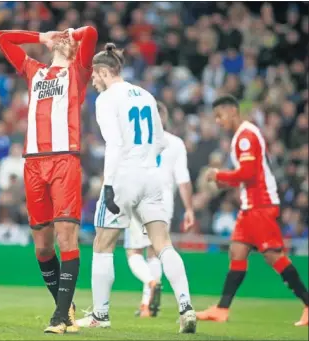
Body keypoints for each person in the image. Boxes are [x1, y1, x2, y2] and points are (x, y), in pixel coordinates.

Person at [76, 43, 197, 334]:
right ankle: (186, 307)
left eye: (94, 75)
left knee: (102, 245)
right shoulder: (145, 95)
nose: (93, 80)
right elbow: (160, 142)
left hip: (124, 178)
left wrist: (107, 185)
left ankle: (100, 315)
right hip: (152, 177)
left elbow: (114, 144)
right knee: (163, 244)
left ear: (105, 72)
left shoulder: (106, 99)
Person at [0, 26, 98, 334]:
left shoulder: (78, 72)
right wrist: (42, 37)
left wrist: (72, 33)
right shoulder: (34, 71)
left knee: (66, 238)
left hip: (65, 159)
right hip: (33, 163)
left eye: (69, 41)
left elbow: (91, 33)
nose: (64, 41)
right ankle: (66, 308)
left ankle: (58, 317)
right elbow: (3, 37)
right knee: (42, 247)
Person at [196, 95, 308, 327]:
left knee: (273, 256)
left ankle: (308, 304)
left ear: (233, 112)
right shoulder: (242, 135)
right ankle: (222, 309)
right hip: (250, 206)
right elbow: (249, 175)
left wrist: (219, 175)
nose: (218, 121)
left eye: (220, 115)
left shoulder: (246, 137)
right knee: (237, 252)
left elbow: (247, 174)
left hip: (260, 205)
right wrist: (225, 180)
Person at [124, 101, 195, 318]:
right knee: (157, 251)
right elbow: (183, 180)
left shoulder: (135, 141)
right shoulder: (176, 143)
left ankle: (150, 283)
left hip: (139, 197)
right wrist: (189, 209)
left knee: (134, 252)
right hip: (165, 202)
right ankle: (149, 304)